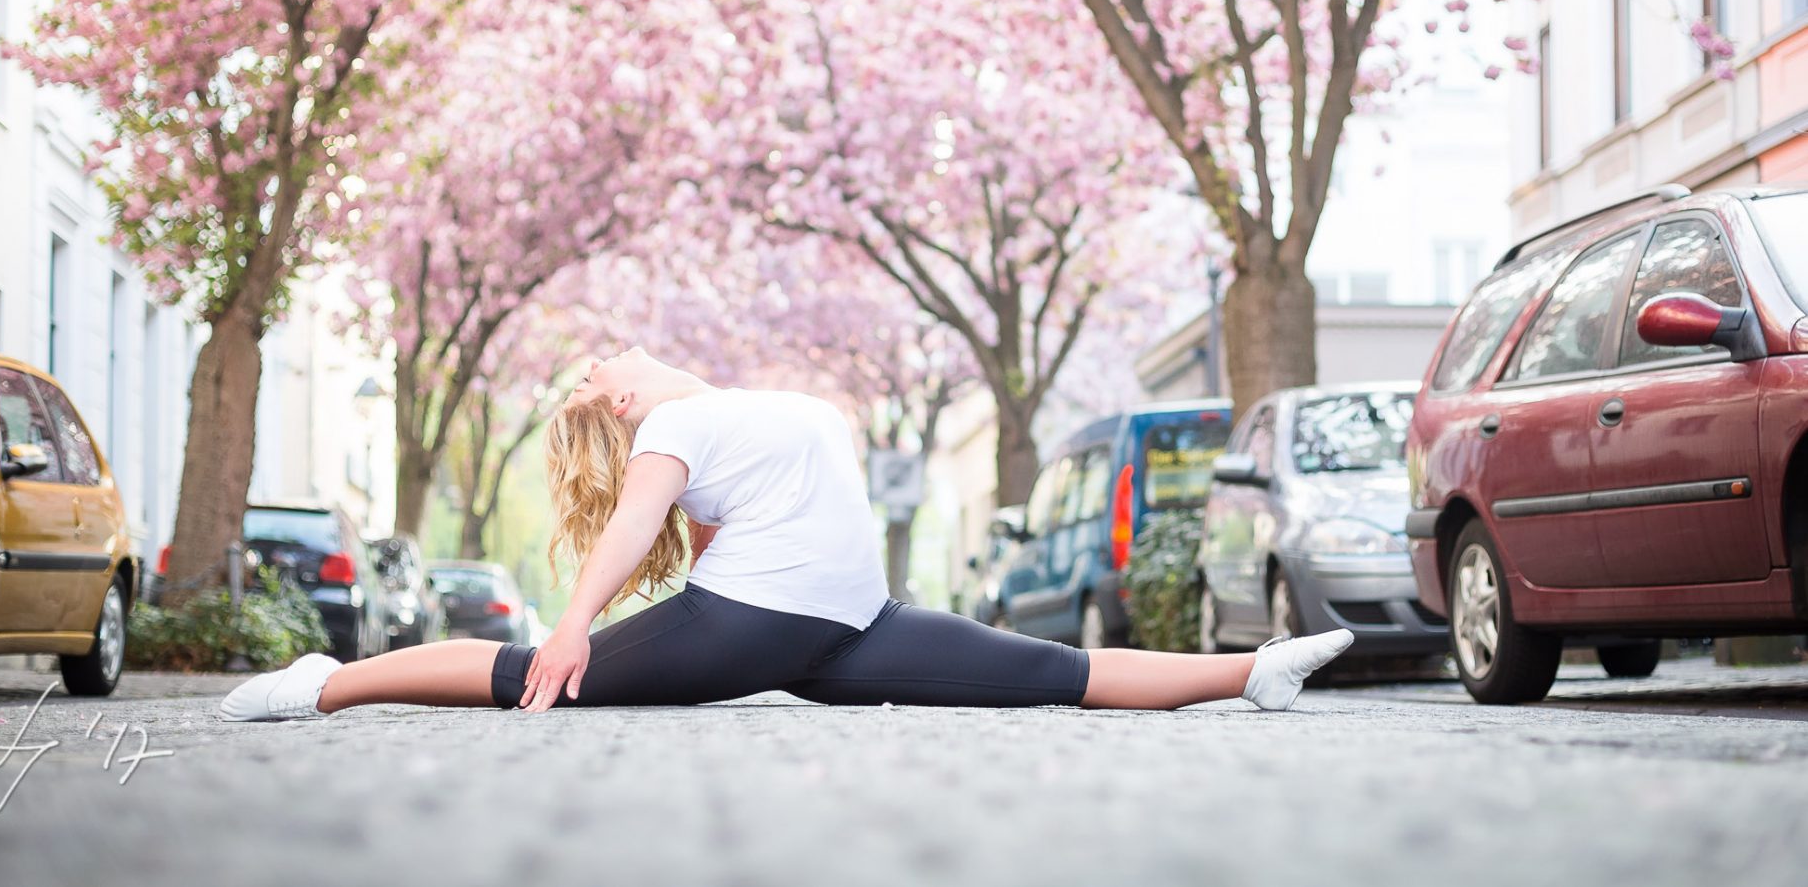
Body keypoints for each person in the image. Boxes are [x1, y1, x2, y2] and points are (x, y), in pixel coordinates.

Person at [220, 348, 1352, 722]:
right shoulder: (668, 420)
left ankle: (1249, 673)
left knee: (1053, 670)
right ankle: (324, 684)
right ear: (623, 403)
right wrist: (572, 628)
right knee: (523, 671)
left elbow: (718, 530)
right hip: (753, 628)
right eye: (604, 361)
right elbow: (633, 525)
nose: (616, 351)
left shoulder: (740, 418)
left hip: (846, 625)